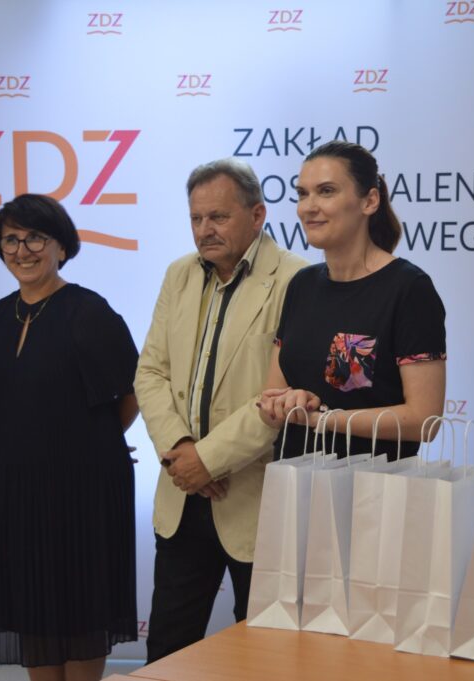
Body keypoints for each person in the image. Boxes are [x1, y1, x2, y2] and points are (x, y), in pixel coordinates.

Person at [135, 159, 307, 662]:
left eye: (218, 217)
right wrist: (182, 451)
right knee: (168, 652)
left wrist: (207, 460)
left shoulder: (298, 279)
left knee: (263, 657)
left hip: (255, 497)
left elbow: (281, 396)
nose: (204, 230)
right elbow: (150, 372)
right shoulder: (178, 274)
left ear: (257, 215)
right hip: (182, 493)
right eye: (196, 218)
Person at [0, 194, 139, 681]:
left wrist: (93, 443)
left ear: (61, 248)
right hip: (15, 491)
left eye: (35, 238)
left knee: (80, 606)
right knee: (33, 606)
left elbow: (133, 390)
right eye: (10, 239)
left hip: (81, 490)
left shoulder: (89, 311)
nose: (21, 250)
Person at [257, 141, 447, 458]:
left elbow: (424, 421)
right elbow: (270, 405)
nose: (308, 207)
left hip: (370, 482)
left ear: (369, 201)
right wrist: (285, 404)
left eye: (326, 191)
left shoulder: (409, 289)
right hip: (293, 478)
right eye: (302, 194)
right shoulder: (302, 285)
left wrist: (322, 419)